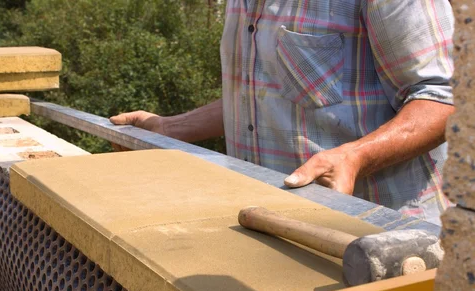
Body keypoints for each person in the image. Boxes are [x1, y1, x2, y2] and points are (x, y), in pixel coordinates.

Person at [110, 0, 454, 224]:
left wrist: (356, 156)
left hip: (383, 233)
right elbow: (263, 97)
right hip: (273, 231)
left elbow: (446, 98)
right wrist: (172, 128)